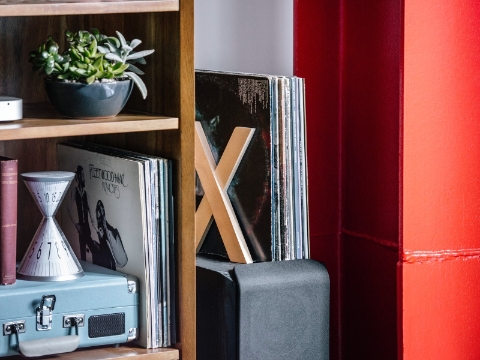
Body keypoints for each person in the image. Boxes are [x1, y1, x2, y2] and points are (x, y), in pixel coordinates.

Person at [67, 165, 95, 262]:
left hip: (87, 227)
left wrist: (95, 227)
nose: (83, 178)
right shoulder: (74, 191)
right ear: (78, 177)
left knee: (92, 249)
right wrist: (76, 225)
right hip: (81, 228)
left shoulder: (86, 194)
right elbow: (68, 209)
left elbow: (91, 213)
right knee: (82, 252)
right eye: (81, 175)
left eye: (83, 175)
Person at [95, 199, 128, 269]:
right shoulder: (100, 224)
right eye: (98, 210)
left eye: (100, 210)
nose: (99, 213)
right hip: (106, 254)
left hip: (109, 254)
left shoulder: (106, 224)